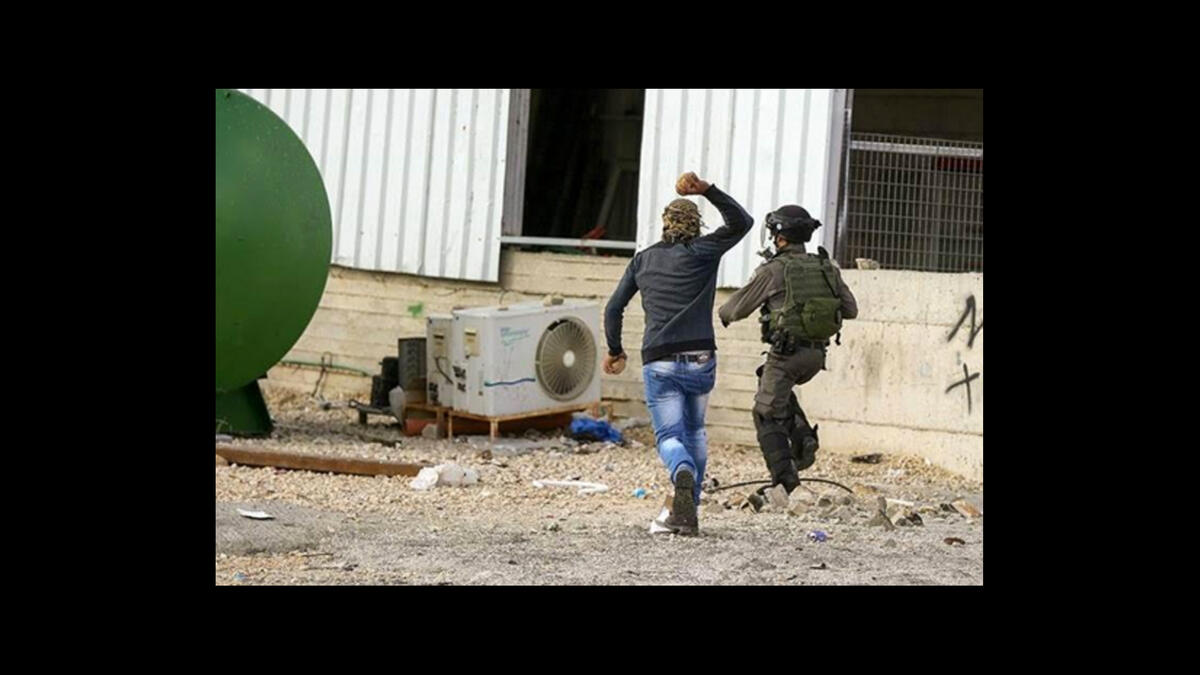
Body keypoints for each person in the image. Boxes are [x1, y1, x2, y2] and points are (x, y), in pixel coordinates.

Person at [603, 171, 753, 536]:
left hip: (660, 360)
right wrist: (708, 190)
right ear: (697, 225)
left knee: (670, 437)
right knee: (696, 431)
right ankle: (688, 512)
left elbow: (613, 308)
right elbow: (742, 222)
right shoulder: (704, 252)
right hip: (701, 356)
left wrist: (615, 350)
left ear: (664, 225)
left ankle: (681, 472)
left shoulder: (643, 261)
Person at [717, 205, 858, 495]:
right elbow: (851, 310)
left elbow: (733, 310)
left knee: (764, 412)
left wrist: (724, 313)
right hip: (817, 355)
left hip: (787, 354)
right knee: (771, 386)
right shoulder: (826, 266)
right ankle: (802, 436)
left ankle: (785, 482)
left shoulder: (774, 270)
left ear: (779, 237)